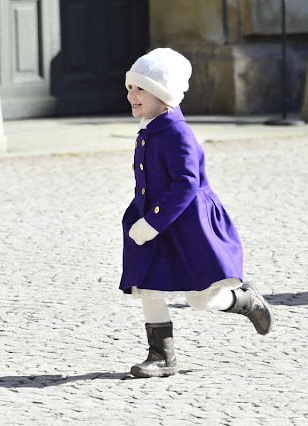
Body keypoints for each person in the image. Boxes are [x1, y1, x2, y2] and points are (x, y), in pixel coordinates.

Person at [121, 48, 273, 378]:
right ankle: (162, 356)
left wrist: (153, 221)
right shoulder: (151, 127)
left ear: (163, 94)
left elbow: (186, 184)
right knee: (148, 287)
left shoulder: (177, 132)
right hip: (154, 220)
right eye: (130, 87)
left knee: (200, 300)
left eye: (140, 88)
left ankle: (244, 300)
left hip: (186, 224)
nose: (131, 94)